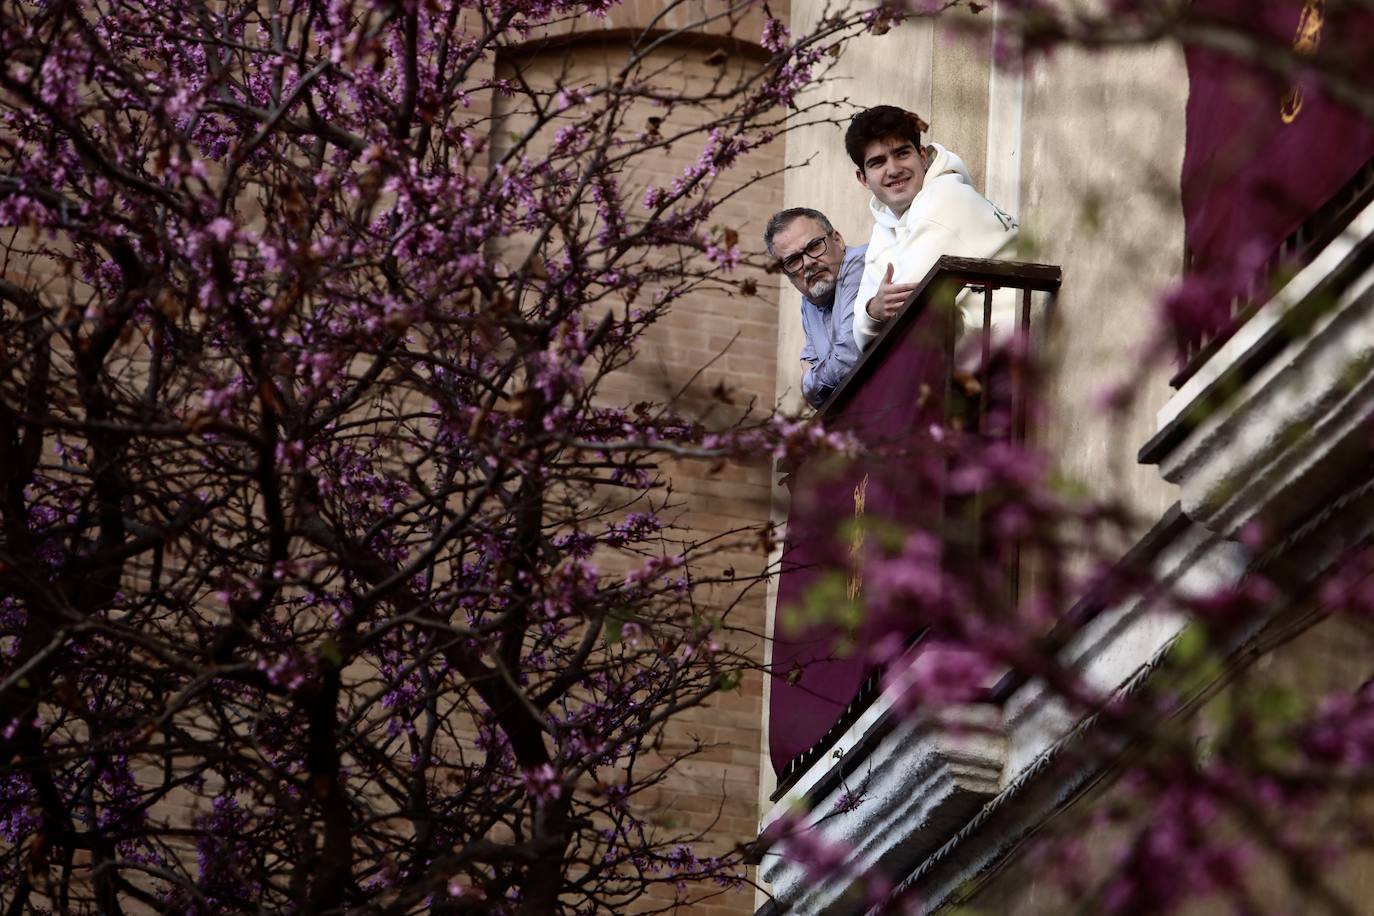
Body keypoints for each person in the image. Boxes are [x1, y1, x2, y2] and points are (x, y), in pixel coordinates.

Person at [846, 105, 1019, 350]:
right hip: (973, 365)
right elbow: (861, 337)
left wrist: (875, 315)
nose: (893, 170)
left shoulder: (946, 197)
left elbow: (905, 311)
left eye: (902, 154)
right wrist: (874, 309)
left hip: (1009, 355)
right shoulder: (883, 229)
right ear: (863, 178)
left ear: (923, 156)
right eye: (877, 162)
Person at [764, 207, 868, 408]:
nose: (808, 263)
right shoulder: (810, 300)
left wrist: (809, 380)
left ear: (837, 240)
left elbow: (848, 359)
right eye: (793, 261)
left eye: (813, 247)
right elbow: (815, 394)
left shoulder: (860, 263)